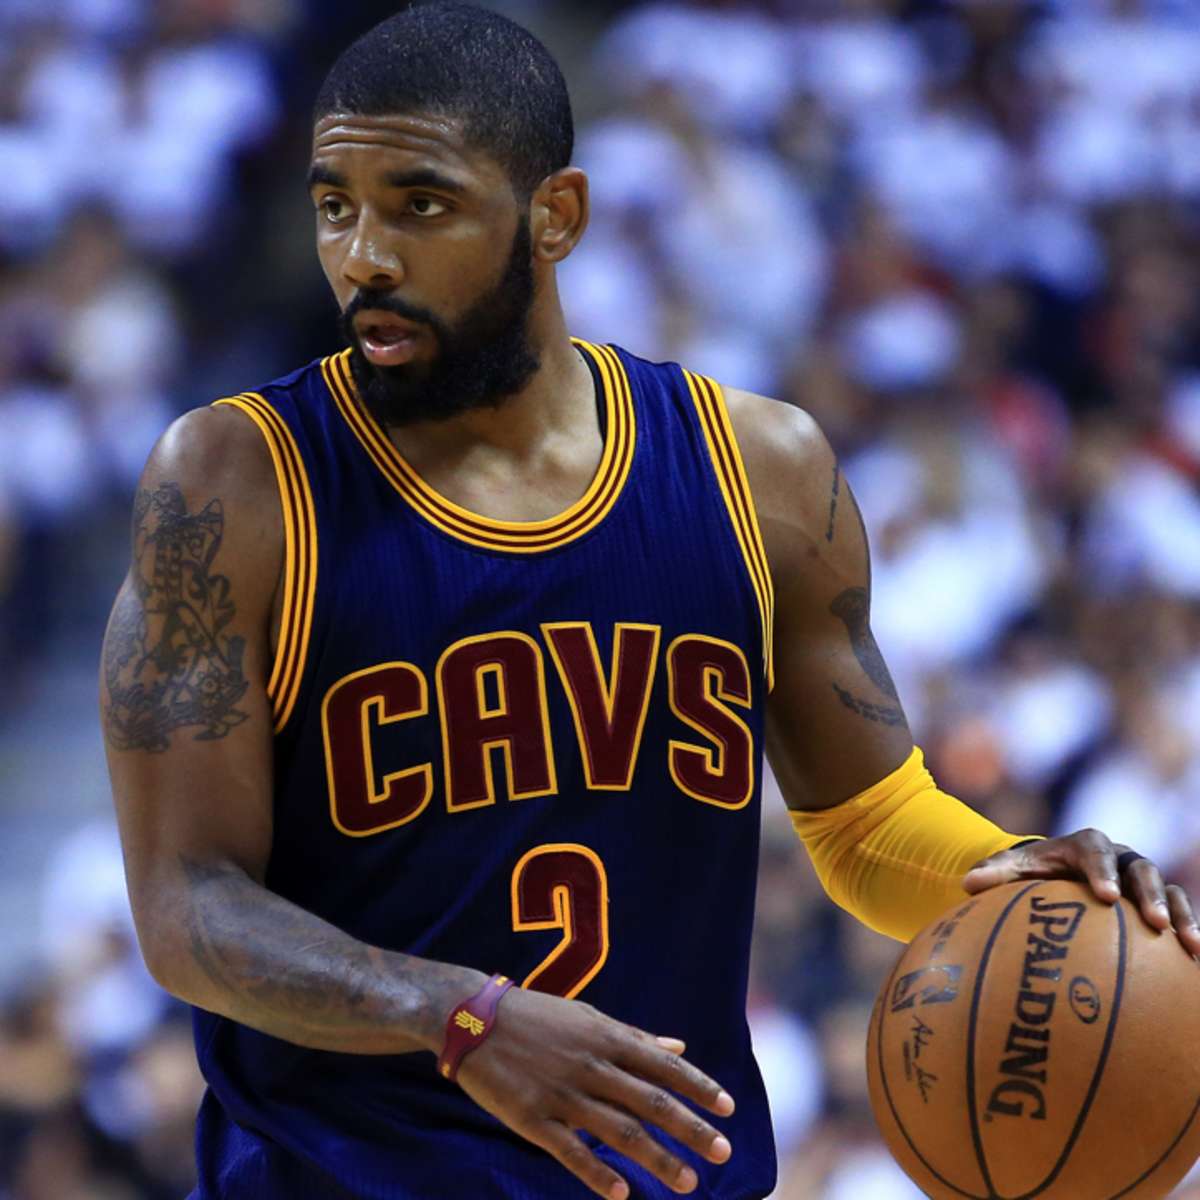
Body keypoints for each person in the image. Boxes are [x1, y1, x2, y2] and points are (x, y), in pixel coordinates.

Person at [99, 6, 1200, 1199]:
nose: (365, 254)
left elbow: (868, 824)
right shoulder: (236, 486)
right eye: (333, 206)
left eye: (420, 204)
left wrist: (1016, 868)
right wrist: (455, 1017)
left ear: (556, 216)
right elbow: (187, 903)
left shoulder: (757, 471)